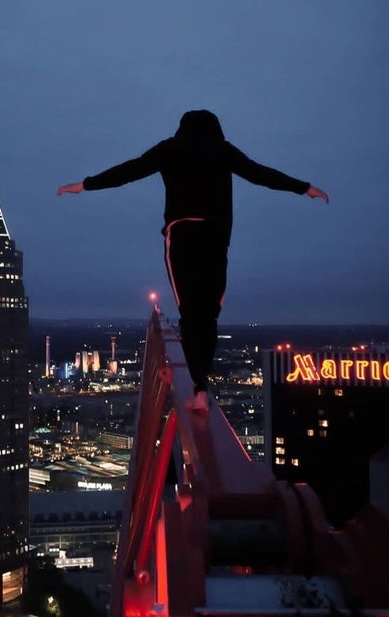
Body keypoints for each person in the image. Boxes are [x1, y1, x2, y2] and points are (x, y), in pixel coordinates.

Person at [58, 110, 329, 413]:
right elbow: (260, 174)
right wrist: (304, 188)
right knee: (208, 313)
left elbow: (129, 171)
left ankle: (194, 380)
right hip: (215, 236)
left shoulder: (170, 149)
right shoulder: (222, 150)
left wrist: (85, 184)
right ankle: (200, 386)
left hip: (182, 234)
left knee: (190, 309)